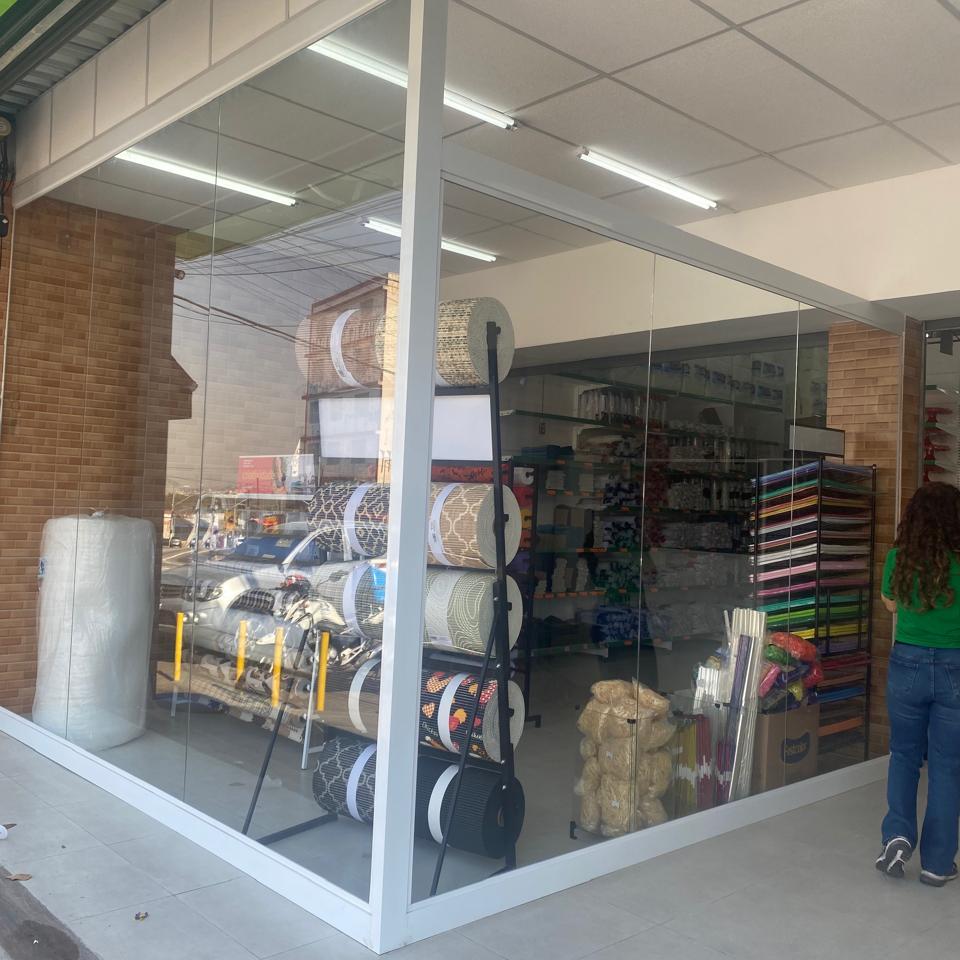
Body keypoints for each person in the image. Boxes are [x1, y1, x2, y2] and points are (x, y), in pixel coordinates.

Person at [876, 482, 960, 886]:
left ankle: (896, 837)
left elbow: (890, 603)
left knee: (904, 755)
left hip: (907, 662)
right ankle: (938, 864)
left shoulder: (899, 557)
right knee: (947, 764)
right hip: (955, 666)